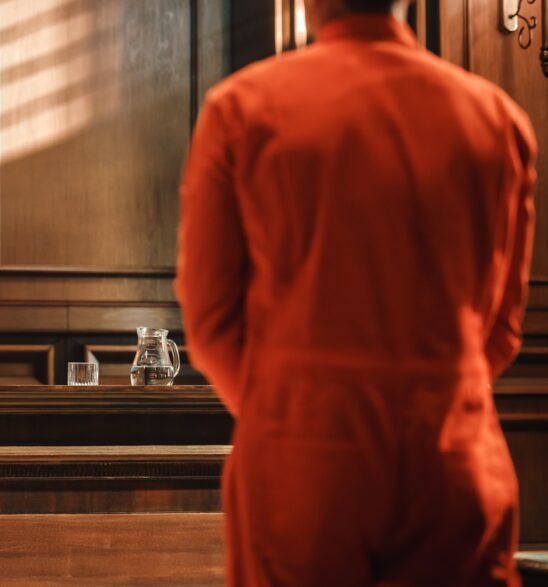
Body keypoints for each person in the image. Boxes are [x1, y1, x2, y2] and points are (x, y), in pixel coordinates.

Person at [175, 0, 537, 584]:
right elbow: (503, 331)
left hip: (303, 466)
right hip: (452, 455)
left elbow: (212, 324)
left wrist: (292, 409)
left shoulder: (243, 108)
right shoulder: (498, 119)